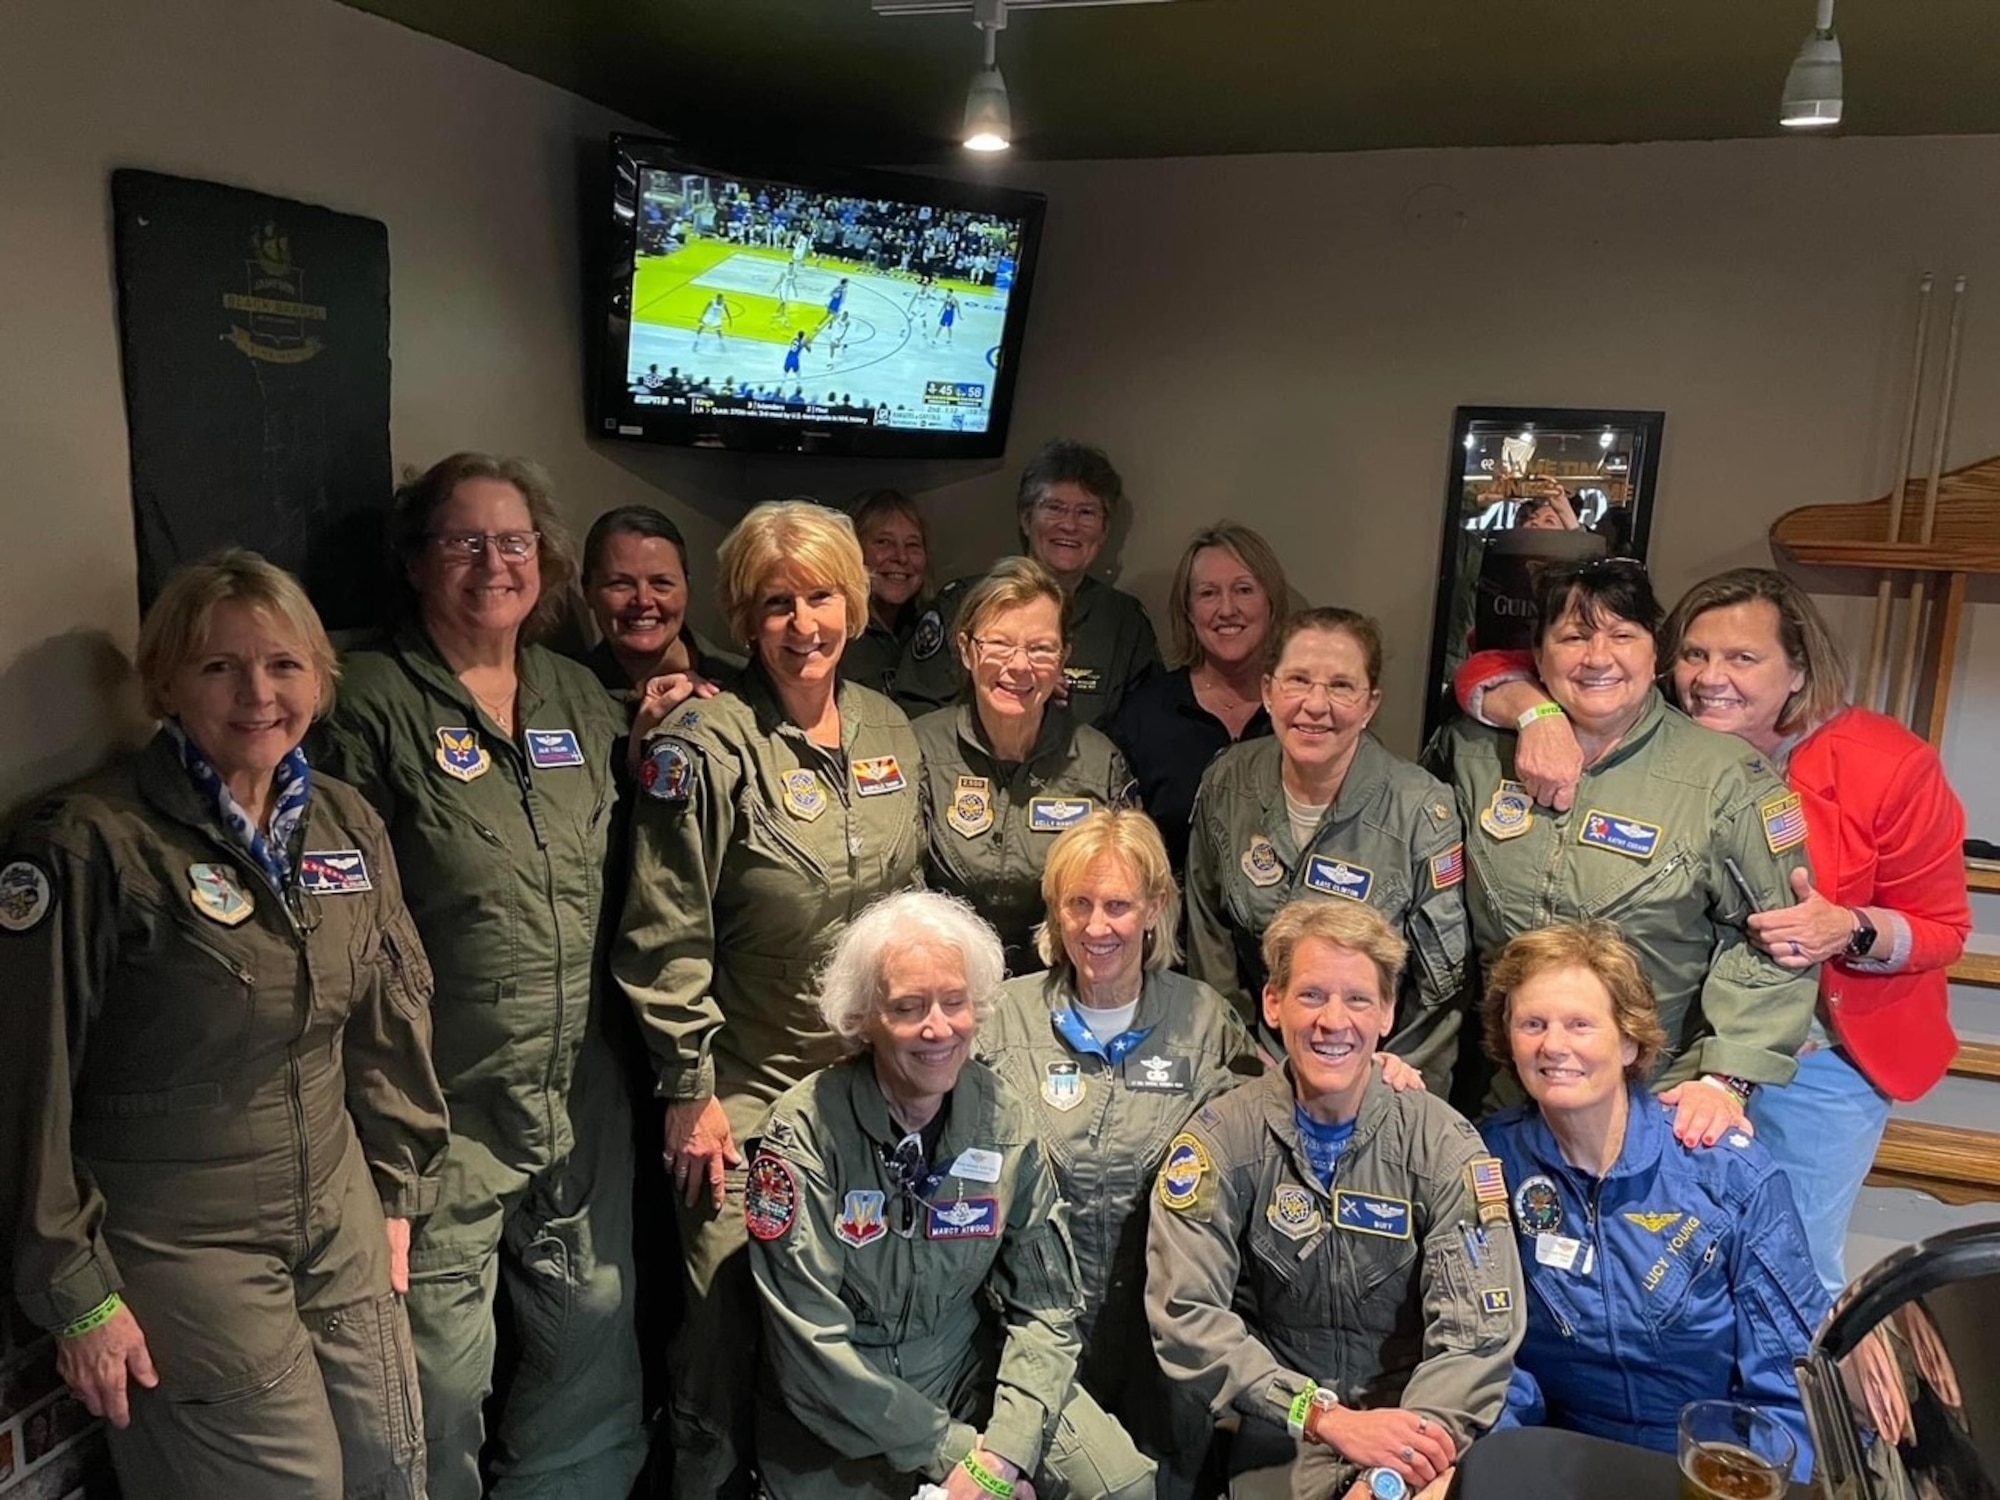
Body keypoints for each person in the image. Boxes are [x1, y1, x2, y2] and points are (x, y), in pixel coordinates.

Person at [0, 551, 447, 1499]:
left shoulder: (343, 822)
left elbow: (389, 1014)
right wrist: (73, 1296)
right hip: (180, 1234)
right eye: (219, 667)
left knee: (392, 1469)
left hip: (339, 1211)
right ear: (163, 680)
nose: (258, 693)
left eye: (284, 665)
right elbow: (23, 1085)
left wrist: (400, 1188)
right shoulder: (89, 845)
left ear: (319, 680)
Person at [1458, 567, 1972, 1294]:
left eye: (1742, 659)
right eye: (1696, 655)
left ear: (1797, 670)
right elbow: (1488, 667)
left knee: (1779, 1262)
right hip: (1666, 1047)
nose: (1710, 678)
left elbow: (1945, 927)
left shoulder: (1885, 765)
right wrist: (1536, 715)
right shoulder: (1641, 722)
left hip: (1828, 1045)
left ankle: (1784, 1406)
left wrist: (1850, 929)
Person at [314, 454, 647, 1500]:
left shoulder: (576, 694)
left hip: (573, 1088)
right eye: (464, 541)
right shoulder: (364, 701)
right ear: (416, 562)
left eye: (514, 543)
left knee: (588, 1353)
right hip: (438, 1101)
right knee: (433, 1386)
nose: (493, 564)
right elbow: (339, 923)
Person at [615, 499, 925, 1499]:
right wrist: (685, 1089)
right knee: (721, 1325)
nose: (803, 624)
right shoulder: (704, 741)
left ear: (856, 602)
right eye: (777, 603)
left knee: (849, 1332)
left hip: (866, 1098)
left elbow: (907, 916)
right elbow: (665, 933)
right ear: (745, 618)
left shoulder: (889, 731)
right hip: (740, 1096)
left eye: (822, 597)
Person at [746, 890, 1156, 1500]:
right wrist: (955, 1455)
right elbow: (810, 1352)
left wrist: (1008, 1453)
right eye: (909, 1007)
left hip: (963, 1368)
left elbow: (1046, 1307)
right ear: (865, 1020)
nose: (938, 1029)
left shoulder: (1002, 1119)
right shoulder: (803, 1135)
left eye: (955, 1003)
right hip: (842, 1403)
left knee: (1119, 1486)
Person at [1423, 558, 1819, 1142]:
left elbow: (1773, 943)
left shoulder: (1728, 780)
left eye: (1622, 636)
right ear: (1539, 652)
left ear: (1653, 650)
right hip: (1492, 1100)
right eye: (1575, 637)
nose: (1598, 658)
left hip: (1655, 1109)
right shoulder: (1472, 754)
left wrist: (1725, 1081)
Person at [1146, 899, 1525, 1499]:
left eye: (1357, 999)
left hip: (1421, 1422)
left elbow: (1476, 1334)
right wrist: (1322, 1416)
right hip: (1287, 1424)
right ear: (1273, 1003)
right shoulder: (1221, 1141)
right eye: (1312, 995)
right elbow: (1188, 1316)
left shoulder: (1444, 1145)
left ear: (1387, 1013)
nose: (1333, 1020)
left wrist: (1395, 1465)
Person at [1477, 922, 1827, 1478]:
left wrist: (1757, 1480)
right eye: (1533, 1024)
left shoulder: (1724, 1171)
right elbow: (1494, 1362)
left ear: (1630, 1041)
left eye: (1580, 1024)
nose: (1553, 1045)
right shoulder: (1488, 1166)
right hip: (1563, 1458)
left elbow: (1792, 1383)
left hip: (1707, 1464)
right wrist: (1496, 1463)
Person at [977, 810, 1257, 1496]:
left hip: (1160, 1339)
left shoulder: (1205, 1022)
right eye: (1078, 903)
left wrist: (1383, 1077)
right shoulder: (1000, 1020)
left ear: (1157, 907)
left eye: (1119, 905)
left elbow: (1270, 1132)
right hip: (1032, 1333)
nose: (1096, 926)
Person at [1187, 607, 1470, 1091]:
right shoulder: (1227, 783)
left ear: (1370, 704)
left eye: (1341, 686)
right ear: (1269, 692)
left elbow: (1440, 989)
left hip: (1375, 1073)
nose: (1315, 705)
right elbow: (1207, 939)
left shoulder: (1420, 809)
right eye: (1297, 680)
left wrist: (1389, 1085)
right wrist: (1242, 1057)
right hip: (1253, 1067)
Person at [911, 557, 1135, 970]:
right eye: (998, 644)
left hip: (1060, 984)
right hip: (945, 981)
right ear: (966, 649)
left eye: (1040, 648)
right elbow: (900, 889)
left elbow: (1126, 896)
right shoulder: (921, 749)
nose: (1019, 665)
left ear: (1064, 656)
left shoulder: (1099, 764)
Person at [895, 440, 1163, 726]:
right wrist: (1004, 696)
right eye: (1054, 508)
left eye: (1086, 512)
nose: (1069, 525)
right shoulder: (962, 604)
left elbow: (1147, 730)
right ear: (1026, 519)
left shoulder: (1124, 621)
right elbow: (916, 715)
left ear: (1104, 529)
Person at [1107, 523, 1282, 874]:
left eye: (1244, 590)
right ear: (1188, 611)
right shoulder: (1146, 716)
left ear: (1270, 602)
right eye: (1208, 594)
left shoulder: (1303, 713)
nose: (1227, 609)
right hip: (1170, 922)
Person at [577, 503, 745, 713]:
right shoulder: (566, 696)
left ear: (687, 588)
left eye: (661, 583)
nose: (644, 600)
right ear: (588, 591)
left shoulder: (745, 683)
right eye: (620, 583)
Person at [840, 489, 944, 705]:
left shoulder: (929, 631)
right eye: (884, 542)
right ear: (853, 551)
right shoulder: (836, 637)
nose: (901, 557)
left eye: (913, 545)